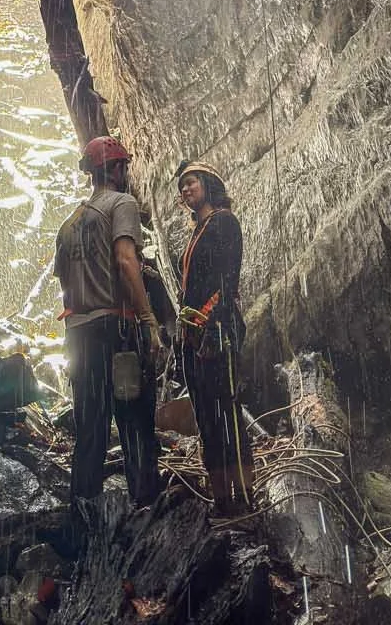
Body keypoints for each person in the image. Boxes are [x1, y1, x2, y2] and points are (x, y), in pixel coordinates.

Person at [53, 134, 162, 519]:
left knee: (90, 424)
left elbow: (65, 283)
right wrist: (148, 319)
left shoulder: (69, 224)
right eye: (124, 167)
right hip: (115, 328)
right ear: (116, 170)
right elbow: (126, 261)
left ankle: (83, 513)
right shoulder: (121, 203)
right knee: (133, 419)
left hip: (77, 335)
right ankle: (146, 509)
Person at [175, 159, 254, 517]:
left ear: (207, 182)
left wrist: (210, 325)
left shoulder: (223, 223)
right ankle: (222, 498)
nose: (186, 190)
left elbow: (226, 281)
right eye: (182, 187)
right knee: (207, 414)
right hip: (194, 332)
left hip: (217, 329)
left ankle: (245, 495)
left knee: (226, 410)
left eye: (191, 182)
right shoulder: (199, 229)